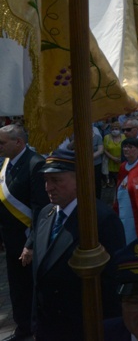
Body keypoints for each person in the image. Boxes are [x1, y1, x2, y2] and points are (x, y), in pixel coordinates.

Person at [32, 149, 125, 340]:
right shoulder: (46, 213)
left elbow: (112, 282)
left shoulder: (99, 219)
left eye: (57, 180)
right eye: (46, 181)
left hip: (80, 326)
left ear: (79, 180)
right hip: (48, 325)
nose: (48, 188)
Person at [0, 125, 48, 341]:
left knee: (32, 288)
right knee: (17, 287)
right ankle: (23, 328)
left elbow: (40, 208)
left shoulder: (35, 163)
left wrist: (30, 243)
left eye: (2, 143)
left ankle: (37, 328)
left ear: (18, 142)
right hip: (10, 240)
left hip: (29, 240)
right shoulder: (7, 163)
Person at [104, 121, 125, 188]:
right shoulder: (106, 138)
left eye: (116, 129)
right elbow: (104, 150)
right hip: (111, 164)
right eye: (112, 129)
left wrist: (121, 157)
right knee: (115, 183)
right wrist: (113, 158)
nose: (114, 131)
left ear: (119, 129)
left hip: (122, 163)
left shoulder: (124, 136)